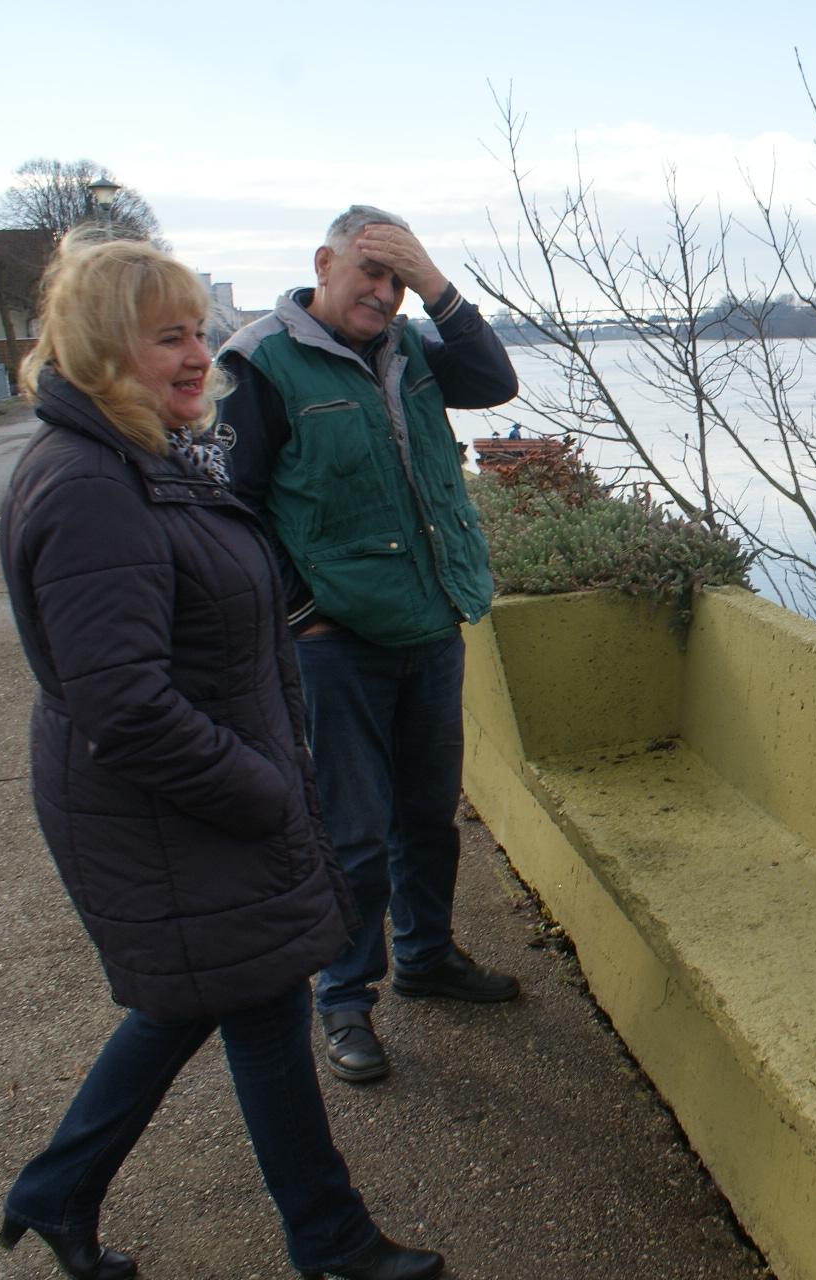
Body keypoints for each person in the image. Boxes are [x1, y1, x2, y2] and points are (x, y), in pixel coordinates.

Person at [0, 232, 443, 1280]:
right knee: (252, 998)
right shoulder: (90, 486)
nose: (200, 356)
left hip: (193, 798)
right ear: (103, 350)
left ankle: (59, 1189)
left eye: (199, 331)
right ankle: (329, 1240)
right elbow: (127, 703)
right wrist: (264, 790)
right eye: (167, 338)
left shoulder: (150, 455)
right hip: (177, 804)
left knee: (210, 996)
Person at [216, 206, 520, 1085]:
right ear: (324, 262)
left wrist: (437, 283)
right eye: (370, 273)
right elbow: (235, 513)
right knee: (352, 832)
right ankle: (344, 998)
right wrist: (301, 609)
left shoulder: (411, 347)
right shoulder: (261, 359)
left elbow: (495, 383)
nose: (382, 293)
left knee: (428, 817)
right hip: (334, 640)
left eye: (397, 278)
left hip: (430, 622)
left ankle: (426, 958)